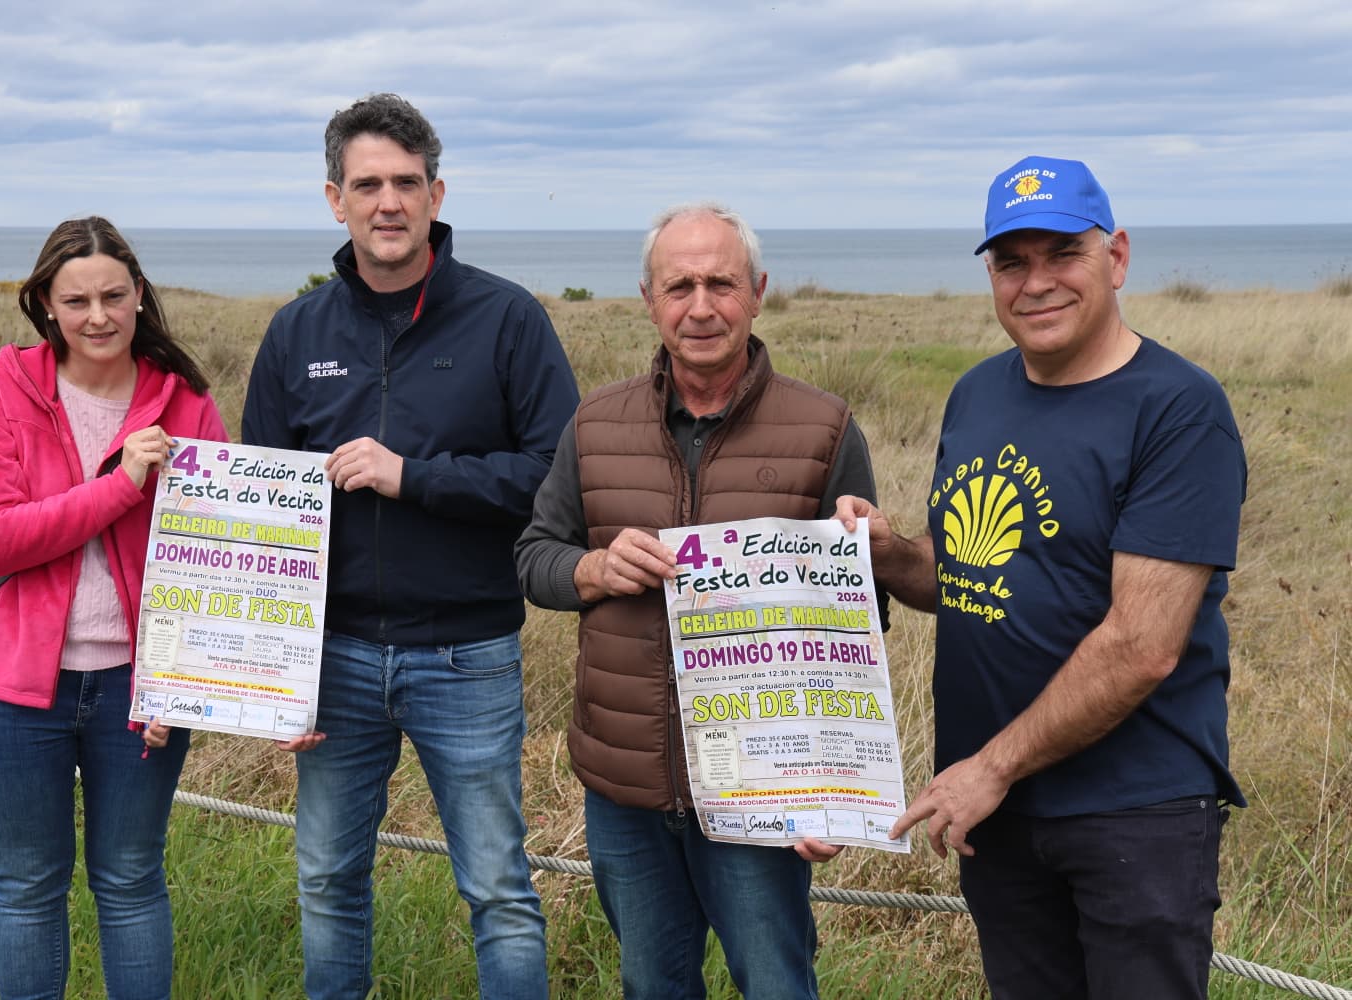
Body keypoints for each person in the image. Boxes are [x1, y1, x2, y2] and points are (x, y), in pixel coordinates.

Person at [836, 155, 1247, 1000]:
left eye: (1063, 253)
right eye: (1012, 262)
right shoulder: (978, 394)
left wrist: (992, 765)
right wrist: (886, 552)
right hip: (998, 810)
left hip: (1133, 811)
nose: (1036, 283)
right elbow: (961, 578)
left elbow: (1142, 648)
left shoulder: (1178, 409)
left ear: (1117, 257)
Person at [241, 93, 576, 1000]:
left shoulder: (509, 321)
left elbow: (555, 480)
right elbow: (260, 522)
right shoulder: (294, 334)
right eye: (366, 185)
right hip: (332, 658)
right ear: (333, 198)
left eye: (405, 183)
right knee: (326, 881)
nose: (386, 202)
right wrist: (272, 670)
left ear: (436, 193)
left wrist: (414, 475)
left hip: (466, 656)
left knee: (499, 889)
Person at [515, 202, 882, 1000]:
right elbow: (534, 558)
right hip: (626, 789)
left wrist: (832, 797)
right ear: (649, 297)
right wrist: (595, 571)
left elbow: (859, 628)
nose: (702, 306)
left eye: (721, 282)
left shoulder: (826, 427)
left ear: (757, 292)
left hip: (763, 792)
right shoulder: (593, 424)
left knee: (778, 984)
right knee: (653, 986)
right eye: (679, 285)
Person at [0, 216, 228, 999]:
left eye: (113, 295)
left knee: (133, 879)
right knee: (30, 883)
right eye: (77, 300)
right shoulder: (2, 388)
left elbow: (212, 558)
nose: (98, 315)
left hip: (138, 691)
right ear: (44, 303)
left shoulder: (185, 399)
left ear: (140, 294)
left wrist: (181, 678)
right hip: (10, 689)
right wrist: (119, 486)